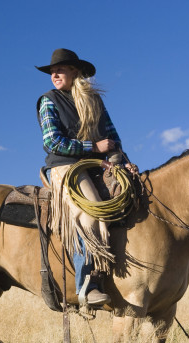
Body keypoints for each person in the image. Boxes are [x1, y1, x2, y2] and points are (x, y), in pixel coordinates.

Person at [35, 48, 137, 306]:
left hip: (99, 165)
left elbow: (112, 138)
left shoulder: (95, 102)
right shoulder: (49, 100)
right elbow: (52, 142)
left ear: (75, 72)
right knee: (90, 214)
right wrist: (93, 148)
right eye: (52, 72)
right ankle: (86, 285)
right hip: (65, 167)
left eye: (60, 70)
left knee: (134, 198)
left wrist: (123, 162)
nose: (55, 74)